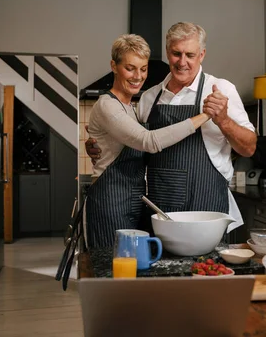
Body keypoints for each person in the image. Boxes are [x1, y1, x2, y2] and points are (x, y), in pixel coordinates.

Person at [87, 22, 257, 232]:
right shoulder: (149, 97)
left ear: (202, 55)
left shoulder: (221, 90)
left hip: (206, 206)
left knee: (206, 266)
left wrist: (223, 120)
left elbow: (249, 148)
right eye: (176, 53)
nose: (182, 62)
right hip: (160, 212)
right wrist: (99, 145)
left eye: (190, 55)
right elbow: (137, 142)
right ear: (168, 52)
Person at [85, 34, 211, 277]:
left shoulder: (132, 108)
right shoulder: (107, 104)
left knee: (136, 270)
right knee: (111, 271)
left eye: (143, 69)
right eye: (129, 68)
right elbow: (149, 141)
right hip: (110, 200)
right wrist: (203, 116)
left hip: (134, 199)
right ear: (114, 66)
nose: (138, 76)